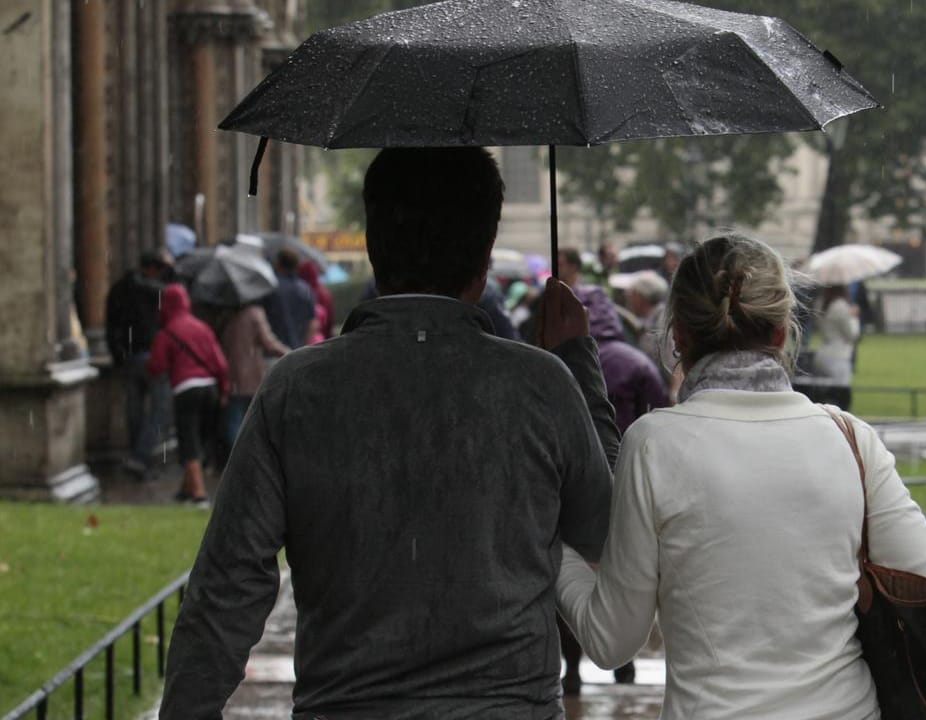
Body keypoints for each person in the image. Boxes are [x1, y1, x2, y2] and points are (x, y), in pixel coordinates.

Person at [159, 146, 617, 719]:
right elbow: (605, 533)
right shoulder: (541, 385)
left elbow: (227, 587)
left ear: (374, 247)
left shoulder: (297, 391)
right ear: (484, 256)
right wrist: (577, 360)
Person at [556, 233, 926, 719]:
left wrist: (548, 543)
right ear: (780, 332)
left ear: (679, 334)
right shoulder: (850, 439)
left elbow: (611, 640)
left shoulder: (655, 444)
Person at [559, 287, 672, 693]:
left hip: (572, 478)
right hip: (631, 472)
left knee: (584, 585)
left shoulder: (550, 362)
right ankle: (624, 668)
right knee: (625, 577)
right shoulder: (636, 362)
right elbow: (659, 407)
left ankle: (572, 667)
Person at [145, 283, 229, 506]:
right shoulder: (202, 327)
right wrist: (224, 389)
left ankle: (199, 493)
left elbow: (156, 365)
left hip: (186, 389)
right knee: (200, 438)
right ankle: (186, 489)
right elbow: (220, 362)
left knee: (188, 440)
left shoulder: (168, 331)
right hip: (209, 387)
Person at [106, 249, 174, 477]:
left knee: (134, 410)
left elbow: (111, 324)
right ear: (153, 269)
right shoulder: (157, 293)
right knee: (160, 411)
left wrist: (118, 353)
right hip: (152, 356)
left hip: (129, 356)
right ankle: (141, 457)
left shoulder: (119, 289)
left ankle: (137, 455)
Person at [218, 300, 289, 449]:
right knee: (259, 421)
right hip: (253, 378)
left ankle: (239, 460)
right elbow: (269, 343)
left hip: (231, 378)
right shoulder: (255, 313)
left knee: (235, 423)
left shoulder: (224, 315)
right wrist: (290, 353)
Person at [262, 247, 315, 349]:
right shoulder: (305, 289)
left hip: (273, 351)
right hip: (297, 349)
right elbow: (312, 323)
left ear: (278, 263)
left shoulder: (270, 288)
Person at [811, 284, 861, 382]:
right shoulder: (841, 306)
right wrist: (854, 317)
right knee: (839, 393)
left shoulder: (820, 303)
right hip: (838, 356)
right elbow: (852, 334)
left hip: (822, 353)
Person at [296, 260, 335, 341]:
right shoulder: (324, 293)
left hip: (306, 340)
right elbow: (330, 320)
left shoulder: (302, 292)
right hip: (323, 338)